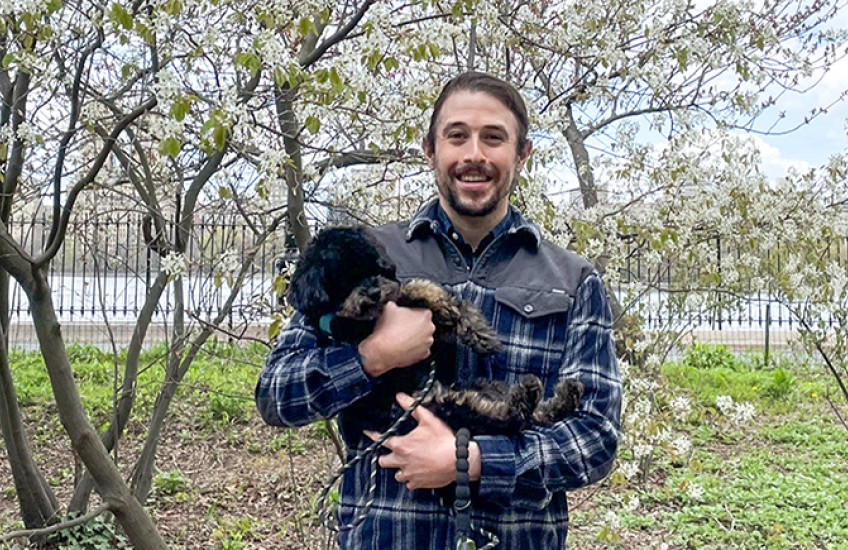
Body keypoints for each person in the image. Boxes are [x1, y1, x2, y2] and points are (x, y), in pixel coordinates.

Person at [255, 72, 621, 549]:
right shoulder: (365, 259)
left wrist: (473, 461)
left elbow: (596, 436)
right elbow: (276, 395)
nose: (475, 155)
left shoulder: (571, 280)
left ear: (521, 154)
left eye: (494, 138)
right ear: (430, 149)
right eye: (457, 136)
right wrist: (372, 358)